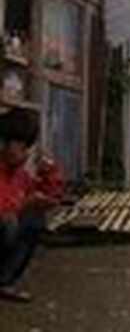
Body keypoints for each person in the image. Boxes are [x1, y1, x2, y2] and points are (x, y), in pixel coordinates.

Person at [0, 108, 64, 304]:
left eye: (27, 148)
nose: (25, 154)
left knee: (34, 219)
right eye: (21, 146)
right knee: (9, 223)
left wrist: (49, 173)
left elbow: (51, 194)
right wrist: (24, 204)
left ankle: (5, 281)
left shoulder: (19, 175)